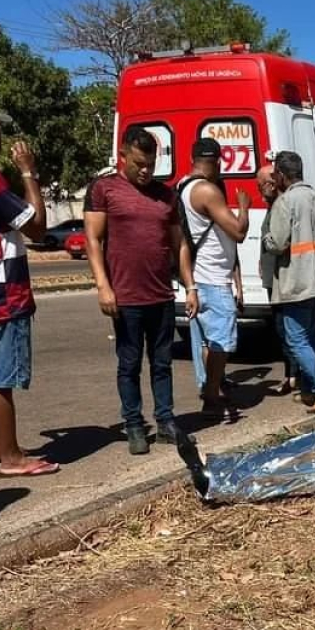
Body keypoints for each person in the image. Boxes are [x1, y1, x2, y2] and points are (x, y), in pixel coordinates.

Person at [84, 126, 187, 455]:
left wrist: (191, 284)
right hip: (125, 297)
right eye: (139, 163)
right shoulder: (104, 189)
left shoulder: (167, 195)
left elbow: (179, 243)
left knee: (162, 362)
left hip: (161, 295)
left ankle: (166, 421)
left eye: (151, 164)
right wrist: (103, 285)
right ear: (123, 157)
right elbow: (93, 240)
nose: (145, 170)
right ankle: (133, 424)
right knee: (129, 363)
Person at [0, 97, 58, 477]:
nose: (0, 134)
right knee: (0, 376)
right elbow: (37, 226)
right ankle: (12, 458)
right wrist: (29, 173)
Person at [261, 151, 315, 414]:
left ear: (282, 176)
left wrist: (264, 238)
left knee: (296, 339)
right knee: (310, 337)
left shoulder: (285, 202)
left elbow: (277, 242)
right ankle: (309, 390)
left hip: (295, 282)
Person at [177, 138, 249, 417]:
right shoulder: (206, 190)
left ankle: (212, 393)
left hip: (200, 278)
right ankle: (210, 394)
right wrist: (243, 206)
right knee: (222, 343)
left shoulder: (183, 186)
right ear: (217, 161)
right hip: (213, 279)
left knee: (209, 342)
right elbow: (239, 232)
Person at [257, 161, 297, 396]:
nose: (259, 189)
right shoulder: (273, 206)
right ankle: (291, 374)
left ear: (272, 184)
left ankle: (293, 376)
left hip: (282, 278)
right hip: (273, 276)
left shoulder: (282, 205)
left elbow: (279, 241)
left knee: (286, 329)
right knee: (282, 328)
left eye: (260, 185)